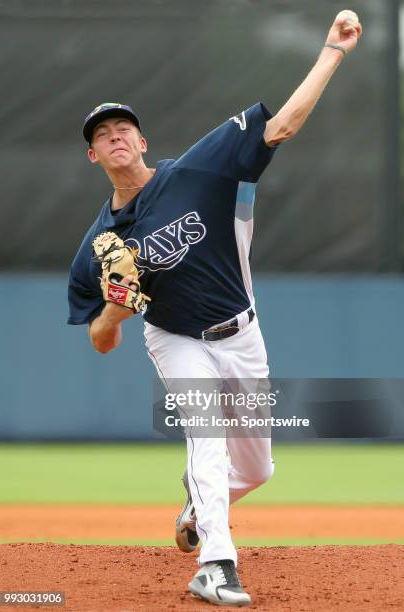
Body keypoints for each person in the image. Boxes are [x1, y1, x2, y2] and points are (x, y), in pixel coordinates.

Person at [68, 12, 362, 607]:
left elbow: (281, 126)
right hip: (174, 338)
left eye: (124, 127)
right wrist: (117, 310)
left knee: (256, 471)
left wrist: (332, 50)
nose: (115, 136)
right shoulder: (98, 246)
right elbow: (100, 339)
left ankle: (199, 501)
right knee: (207, 440)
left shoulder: (198, 171)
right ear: (94, 156)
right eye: (103, 134)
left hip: (242, 331)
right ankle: (216, 567)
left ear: (142, 141)